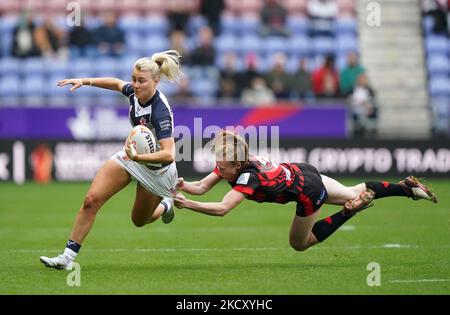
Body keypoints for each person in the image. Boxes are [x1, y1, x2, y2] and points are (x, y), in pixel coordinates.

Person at [174, 131, 438, 252]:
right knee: (354, 190)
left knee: (299, 244)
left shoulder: (247, 177)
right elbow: (201, 187)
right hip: (304, 171)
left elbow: (222, 209)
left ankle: (348, 212)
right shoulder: (235, 161)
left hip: (308, 191)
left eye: (221, 165)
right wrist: (183, 186)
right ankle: (406, 188)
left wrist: (188, 205)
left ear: (237, 164)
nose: (217, 168)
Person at [40, 50, 183, 270]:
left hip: (157, 169)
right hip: (132, 157)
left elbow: (169, 154)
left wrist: (140, 157)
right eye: (134, 79)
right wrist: (84, 81)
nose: (135, 85)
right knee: (91, 200)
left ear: (156, 81)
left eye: (141, 81)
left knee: (139, 220)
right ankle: (67, 258)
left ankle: (166, 205)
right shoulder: (134, 93)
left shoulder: (160, 111)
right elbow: (116, 84)